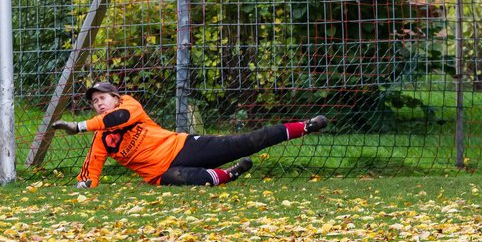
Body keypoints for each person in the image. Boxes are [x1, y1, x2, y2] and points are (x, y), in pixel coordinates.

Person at [52, 82, 327, 187]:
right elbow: (90, 170)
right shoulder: (102, 140)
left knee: (245, 142)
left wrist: (78, 126)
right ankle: (229, 174)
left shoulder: (129, 106)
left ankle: (304, 127)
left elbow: (118, 119)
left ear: (115, 97)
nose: (99, 103)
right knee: (188, 179)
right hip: (161, 174)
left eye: (103, 98)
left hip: (181, 147)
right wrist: (84, 187)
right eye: (94, 101)